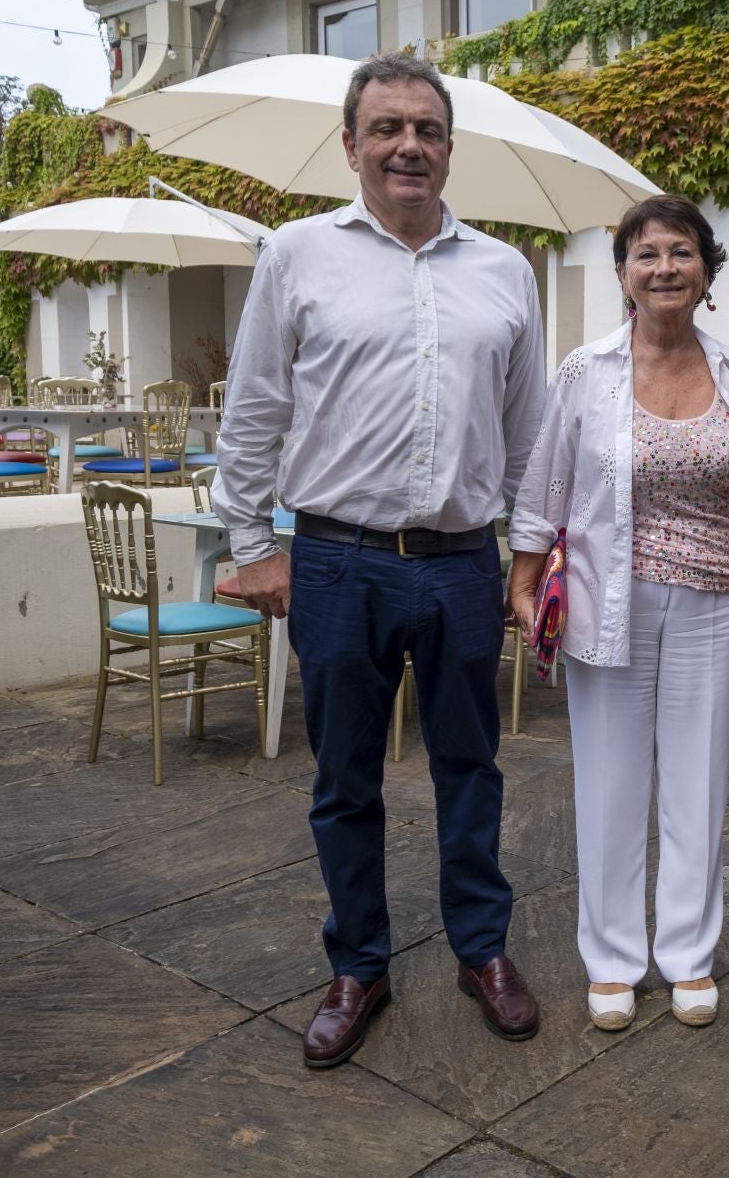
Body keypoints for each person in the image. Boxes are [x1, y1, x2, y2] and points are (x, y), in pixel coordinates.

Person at [215, 53, 547, 1068]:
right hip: (337, 562)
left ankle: (481, 949)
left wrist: (528, 558)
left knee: (471, 768)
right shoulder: (297, 255)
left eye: (427, 129)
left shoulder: (505, 271)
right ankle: (358, 962)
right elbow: (255, 408)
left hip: (460, 563)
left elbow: (529, 437)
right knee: (344, 779)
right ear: (351, 144)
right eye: (388, 127)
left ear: (449, 147)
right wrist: (252, 546)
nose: (409, 145)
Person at [508, 194, 729, 1032]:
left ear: (707, 271)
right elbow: (545, 484)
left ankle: (688, 955)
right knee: (610, 785)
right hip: (605, 600)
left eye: (681, 252)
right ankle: (613, 961)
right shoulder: (586, 371)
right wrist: (522, 579)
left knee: (699, 784)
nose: (664, 268)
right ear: (622, 272)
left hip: (713, 602)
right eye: (646, 254)